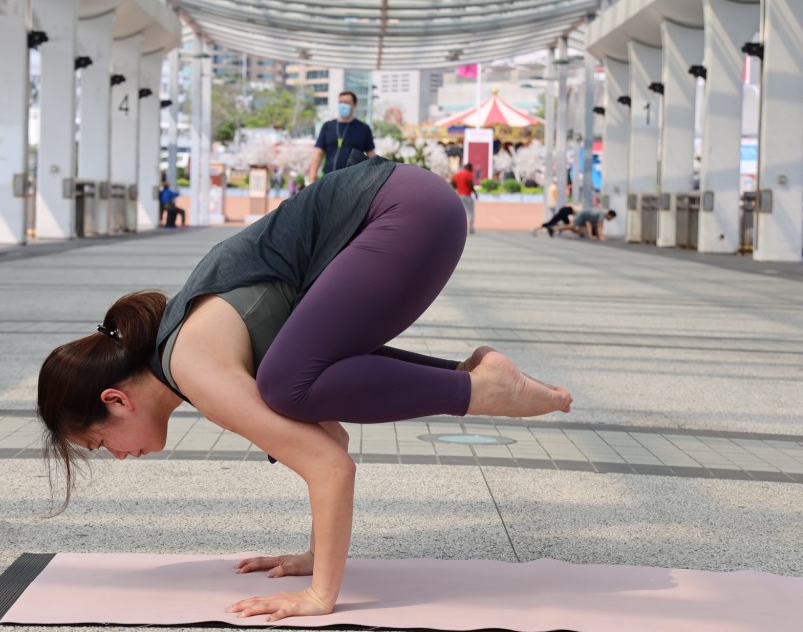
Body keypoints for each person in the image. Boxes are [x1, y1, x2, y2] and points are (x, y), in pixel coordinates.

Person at [38, 155, 573, 623]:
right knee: (291, 385)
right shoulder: (188, 355)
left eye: (99, 443)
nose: (118, 456)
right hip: (414, 206)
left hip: (404, 213)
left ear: (115, 399)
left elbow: (329, 466)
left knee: (285, 387)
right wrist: (316, 553)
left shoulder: (192, 365)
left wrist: (320, 594)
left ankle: (477, 390)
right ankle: (474, 381)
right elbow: (330, 439)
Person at [305, 91, 375, 183]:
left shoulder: (363, 128)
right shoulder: (327, 126)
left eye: (346, 103)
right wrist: (311, 179)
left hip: (354, 182)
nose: (342, 105)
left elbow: (372, 155)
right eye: (340, 102)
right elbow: (318, 154)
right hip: (329, 180)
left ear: (354, 105)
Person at [451, 162, 477, 234]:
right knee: (470, 212)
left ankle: (456, 228)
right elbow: (470, 183)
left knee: (460, 213)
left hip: (459, 196)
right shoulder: (468, 174)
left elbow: (453, 183)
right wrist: (475, 192)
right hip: (466, 195)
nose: (472, 170)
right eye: (471, 168)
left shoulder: (457, 174)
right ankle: (471, 228)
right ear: (469, 168)